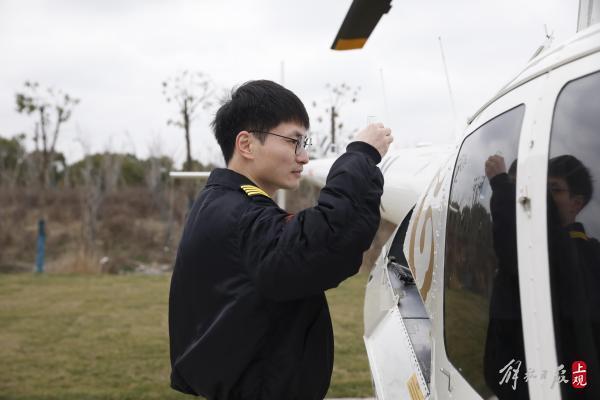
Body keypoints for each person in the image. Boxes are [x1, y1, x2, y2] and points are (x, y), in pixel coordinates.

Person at [168, 80, 393, 400]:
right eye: (293, 141)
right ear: (246, 144)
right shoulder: (239, 215)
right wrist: (361, 155)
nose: (303, 157)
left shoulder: (222, 202)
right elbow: (324, 242)